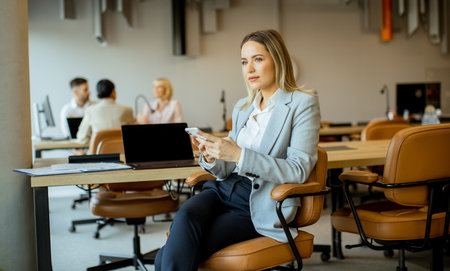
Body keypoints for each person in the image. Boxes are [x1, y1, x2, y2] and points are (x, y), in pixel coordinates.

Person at [155, 29, 320, 270]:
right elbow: (225, 169)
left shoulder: (302, 104)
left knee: (168, 255)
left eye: (258, 59)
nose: (249, 69)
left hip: (259, 200)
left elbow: (298, 170)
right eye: (244, 61)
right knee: (185, 216)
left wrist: (239, 155)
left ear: (278, 59)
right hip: (222, 189)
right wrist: (212, 155)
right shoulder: (243, 107)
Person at [76, 79, 136, 145]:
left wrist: (96, 141)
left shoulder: (90, 111)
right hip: (121, 154)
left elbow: (82, 138)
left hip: (99, 153)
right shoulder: (127, 110)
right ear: (113, 92)